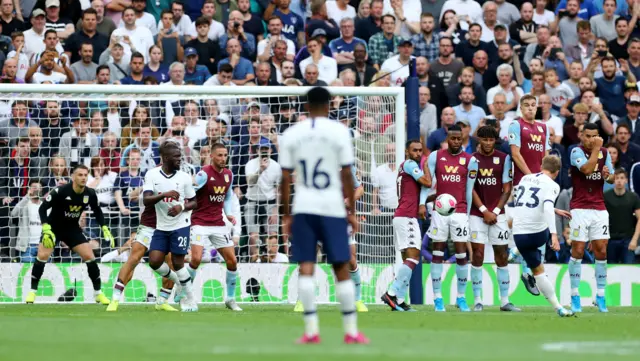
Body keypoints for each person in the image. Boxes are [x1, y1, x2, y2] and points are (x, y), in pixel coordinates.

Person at [279, 87, 367, 344]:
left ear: (306, 106)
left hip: (304, 206)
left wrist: (286, 215)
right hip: (332, 207)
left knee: (307, 266)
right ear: (329, 106)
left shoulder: (292, 134)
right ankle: (350, 331)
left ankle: (310, 332)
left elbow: (285, 178)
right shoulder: (339, 132)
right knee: (341, 265)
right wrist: (350, 212)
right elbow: (346, 173)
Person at [25, 164, 115, 304]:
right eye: (80, 175)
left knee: (90, 256)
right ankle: (32, 293)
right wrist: (46, 227)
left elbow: (97, 210)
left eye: (85, 175)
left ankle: (98, 293)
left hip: (72, 229)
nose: (83, 178)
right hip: (54, 228)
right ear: (73, 177)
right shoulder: (60, 191)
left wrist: (104, 226)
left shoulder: (90, 193)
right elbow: (43, 209)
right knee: (42, 256)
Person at [510, 155, 575, 317]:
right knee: (545, 221)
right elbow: (545, 208)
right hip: (537, 235)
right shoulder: (553, 185)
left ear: (541, 167)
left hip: (518, 234)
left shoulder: (525, 178)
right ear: (557, 172)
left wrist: (555, 209)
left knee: (539, 270)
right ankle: (558, 307)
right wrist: (554, 235)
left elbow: (528, 203)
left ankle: (558, 307)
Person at [426, 124, 479, 312]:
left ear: (463, 138)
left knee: (461, 253)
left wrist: (468, 213)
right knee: (438, 251)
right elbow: (427, 182)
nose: (456, 141)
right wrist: (425, 203)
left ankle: (461, 298)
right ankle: (438, 298)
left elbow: (469, 189)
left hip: (460, 211)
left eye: (459, 138)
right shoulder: (436, 156)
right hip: (440, 210)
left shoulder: (470, 160)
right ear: (447, 138)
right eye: (452, 138)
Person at [142, 141, 198, 312]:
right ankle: (180, 283)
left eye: (180, 157)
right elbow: (146, 200)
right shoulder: (152, 175)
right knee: (154, 261)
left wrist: (181, 207)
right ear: (165, 158)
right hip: (161, 226)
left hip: (181, 225)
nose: (179, 160)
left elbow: (195, 202)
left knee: (178, 262)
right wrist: (164, 195)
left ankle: (190, 300)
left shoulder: (184, 177)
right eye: (176, 157)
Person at [469, 125, 520, 312]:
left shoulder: (504, 158)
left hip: (498, 214)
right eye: (485, 140)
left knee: (501, 255)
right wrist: (484, 210)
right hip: (477, 214)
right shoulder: (472, 159)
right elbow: (471, 188)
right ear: (479, 140)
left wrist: (495, 212)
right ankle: (477, 300)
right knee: (478, 255)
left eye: (491, 140)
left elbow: (507, 189)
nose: (488, 143)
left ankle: (505, 301)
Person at [186, 143, 242, 312]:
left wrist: (229, 214)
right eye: (219, 155)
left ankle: (230, 298)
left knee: (232, 261)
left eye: (225, 155)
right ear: (212, 156)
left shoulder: (228, 175)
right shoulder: (203, 174)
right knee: (195, 259)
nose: (223, 158)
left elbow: (227, 196)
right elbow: (190, 191)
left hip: (218, 223)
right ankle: (186, 295)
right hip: (200, 222)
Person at [567, 122, 615, 313]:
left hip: (599, 207)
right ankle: (575, 295)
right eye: (587, 136)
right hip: (580, 208)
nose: (591, 139)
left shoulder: (605, 153)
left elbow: (611, 177)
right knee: (578, 250)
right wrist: (596, 149)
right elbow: (586, 170)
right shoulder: (575, 152)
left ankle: (601, 296)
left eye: (594, 136)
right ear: (581, 136)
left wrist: (607, 176)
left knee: (601, 251)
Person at [508, 94, 552, 295]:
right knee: (526, 226)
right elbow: (515, 154)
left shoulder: (543, 128)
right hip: (523, 184)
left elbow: (545, 156)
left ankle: (530, 271)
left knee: (540, 227)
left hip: (539, 183)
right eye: (526, 105)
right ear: (521, 107)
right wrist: (531, 176)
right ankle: (524, 265)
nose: (530, 109)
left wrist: (543, 177)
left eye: (533, 106)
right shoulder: (516, 125)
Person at [380, 140, 431, 312]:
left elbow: (419, 190)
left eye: (420, 151)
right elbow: (427, 182)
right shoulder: (410, 164)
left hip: (403, 216)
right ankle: (391, 292)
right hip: (406, 217)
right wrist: (427, 167)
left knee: (406, 260)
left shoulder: (404, 168)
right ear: (407, 152)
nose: (418, 153)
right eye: (414, 150)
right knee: (413, 257)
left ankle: (400, 300)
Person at [605, 168, 640, 264]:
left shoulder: (633, 197)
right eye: (617, 178)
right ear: (613, 180)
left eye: (621, 178)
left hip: (628, 240)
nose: (619, 181)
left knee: (628, 270)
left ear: (626, 180)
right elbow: (599, 218)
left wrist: (635, 240)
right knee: (610, 271)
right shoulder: (606, 196)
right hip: (610, 240)